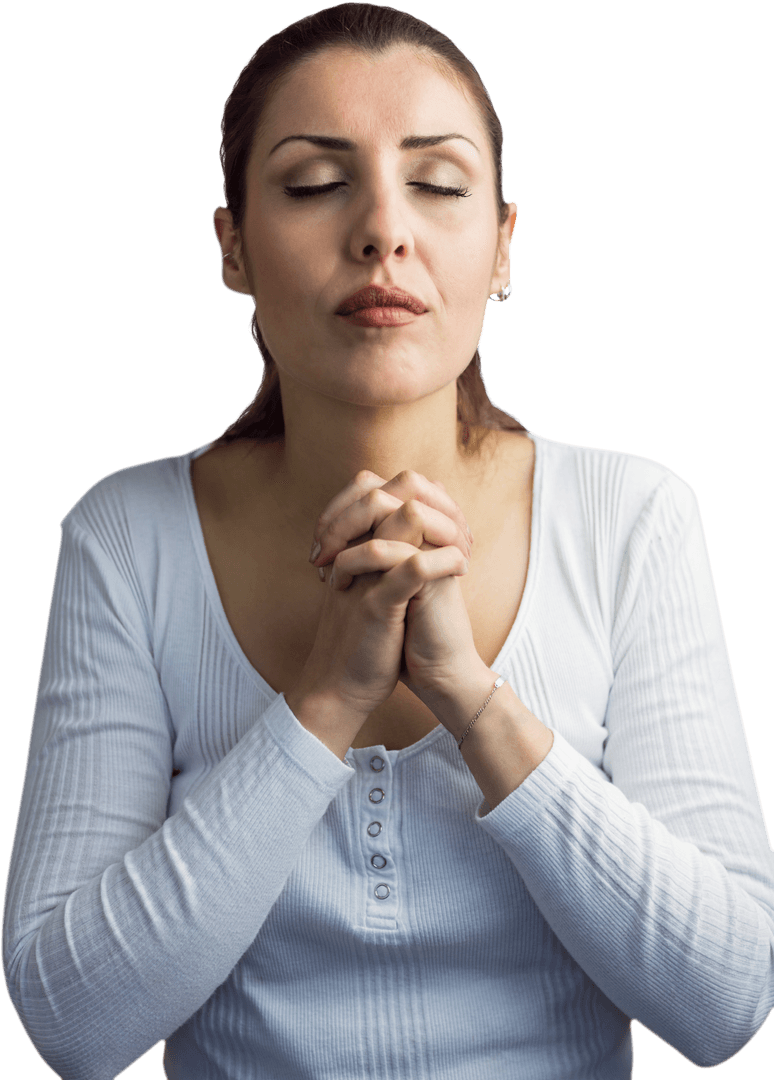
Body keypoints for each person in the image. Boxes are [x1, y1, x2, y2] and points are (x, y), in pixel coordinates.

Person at [3, 4, 773, 1078]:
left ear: (503, 247)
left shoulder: (632, 516)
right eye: (315, 184)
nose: (382, 231)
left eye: (438, 183)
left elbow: (726, 1001)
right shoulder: (127, 538)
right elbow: (74, 1029)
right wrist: (323, 699)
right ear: (230, 248)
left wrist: (471, 695)